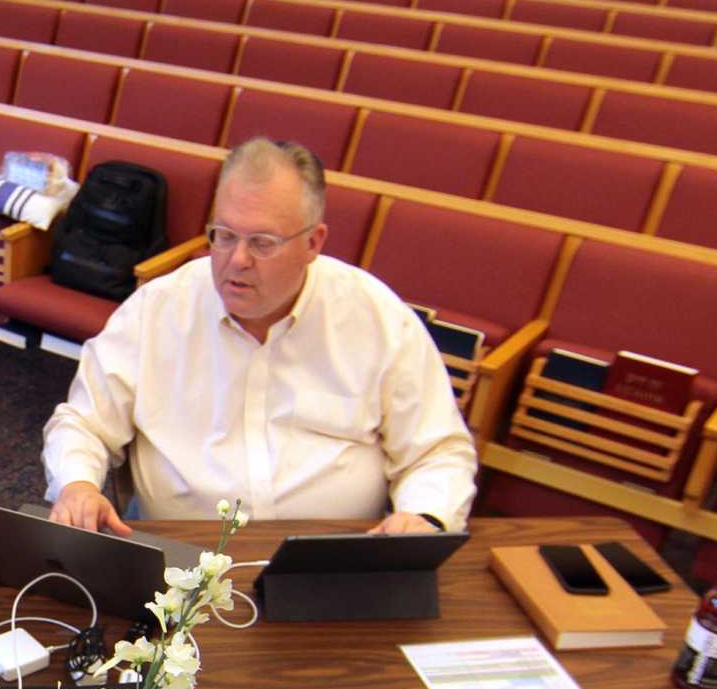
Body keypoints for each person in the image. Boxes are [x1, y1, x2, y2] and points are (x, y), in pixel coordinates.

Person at [43, 138, 476, 535]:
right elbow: (83, 423)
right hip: (181, 553)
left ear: (313, 242)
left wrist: (424, 517)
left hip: (333, 555)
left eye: (263, 243)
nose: (237, 261)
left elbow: (436, 449)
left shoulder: (375, 315)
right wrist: (78, 484)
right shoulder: (158, 309)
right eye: (224, 236)